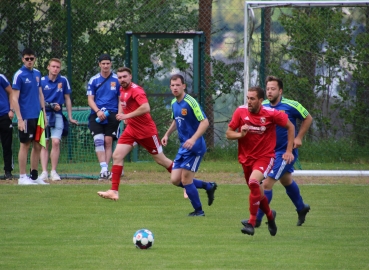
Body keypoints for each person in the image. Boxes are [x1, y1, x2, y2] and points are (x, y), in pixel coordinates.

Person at [97, 69, 217, 211]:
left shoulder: (137, 90)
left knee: (162, 160)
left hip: (146, 131)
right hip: (131, 130)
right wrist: (122, 114)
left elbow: (146, 107)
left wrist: (127, 116)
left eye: (125, 76)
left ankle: (189, 185)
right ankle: (114, 191)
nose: (122, 79)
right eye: (120, 77)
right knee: (117, 155)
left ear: (130, 77)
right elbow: (121, 101)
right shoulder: (122, 89)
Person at [226, 86, 295, 236]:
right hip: (246, 159)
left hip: (265, 157)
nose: (249, 102)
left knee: (253, 182)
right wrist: (240, 135)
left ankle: (251, 223)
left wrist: (289, 150)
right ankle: (270, 217)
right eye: (248, 98)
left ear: (260, 100)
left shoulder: (271, 113)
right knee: (257, 191)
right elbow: (228, 134)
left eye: (252, 99)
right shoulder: (240, 112)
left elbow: (290, 126)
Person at [254, 75, 312, 227]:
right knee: (286, 180)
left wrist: (298, 138)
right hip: (269, 153)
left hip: (285, 153)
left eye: (273, 89)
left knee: (266, 184)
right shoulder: (263, 106)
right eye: (267, 89)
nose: (269, 92)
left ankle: (257, 219)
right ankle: (301, 207)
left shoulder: (291, 105)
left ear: (280, 91)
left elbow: (308, 118)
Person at [161, 74, 217, 216]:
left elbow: (205, 122)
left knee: (186, 179)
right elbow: (176, 120)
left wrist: (193, 139)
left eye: (177, 85)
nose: (175, 87)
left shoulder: (191, 102)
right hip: (183, 147)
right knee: (175, 180)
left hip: (195, 147)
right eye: (172, 85)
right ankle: (208, 186)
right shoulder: (174, 103)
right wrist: (167, 134)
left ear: (184, 86)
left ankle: (199, 211)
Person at [12, 48, 48, 185]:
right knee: (25, 144)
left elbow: (40, 94)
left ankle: (34, 176)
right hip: (25, 115)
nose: (29, 61)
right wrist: (19, 119)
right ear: (23, 59)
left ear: (34, 59)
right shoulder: (19, 75)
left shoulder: (38, 74)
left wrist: (44, 113)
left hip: (37, 115)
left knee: (38, 145)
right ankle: (22, 177)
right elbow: (14, 98)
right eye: (27, 59)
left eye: (31, 58)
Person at [38, 58, 78, 181]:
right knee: (44, 143)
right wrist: (49, 106)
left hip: (58, 115)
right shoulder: (41, 81)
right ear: (48, 67)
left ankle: (53, 171)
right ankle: (44, 171)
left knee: (56, 142)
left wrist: (70, 116)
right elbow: (38, 99)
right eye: (53, 66)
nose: (55, 69)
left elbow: (67, 98)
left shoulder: (63, 80)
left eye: (58, 67)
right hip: (43, 115)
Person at [87, 54, 120, 180]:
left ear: (111, 64)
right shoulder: (93, 80)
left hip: (112, 114)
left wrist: (119, 115)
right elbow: (90, 99)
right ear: (99, 65)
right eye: (103, 63)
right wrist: (98, 111)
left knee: (108, 141)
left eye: (108, 63)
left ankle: (105, 171)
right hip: (96, 114)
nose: (105, 66)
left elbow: (120, 99)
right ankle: (104, 169)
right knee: (98, 140)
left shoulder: (117, 80)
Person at [0, 73, 14, 180]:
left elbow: (11, 92)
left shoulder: (1, 77)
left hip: (4, 115)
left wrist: (11, 110)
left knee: (7, 145)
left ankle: (8, 171)